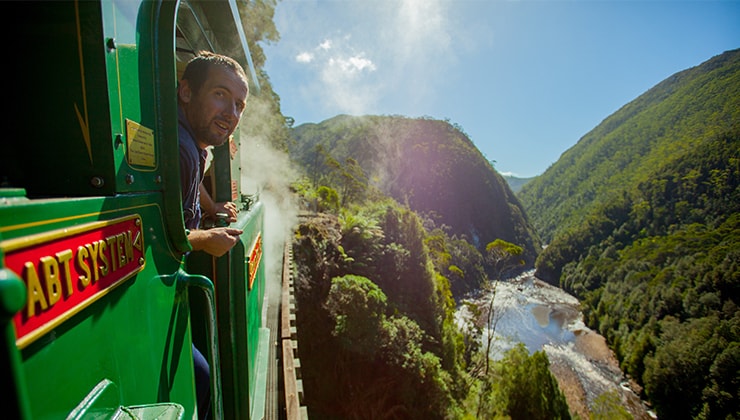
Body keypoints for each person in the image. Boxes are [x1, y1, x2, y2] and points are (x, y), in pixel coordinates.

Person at [178, 51, 249, 420]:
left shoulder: (192, 143)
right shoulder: (181, 147)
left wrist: (209, 206)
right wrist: (206, 238)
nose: (232, 114)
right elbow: (157, 238)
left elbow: (193, 176)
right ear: (186, 92)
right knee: (202, 378)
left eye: (239, 105)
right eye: (221, 95)